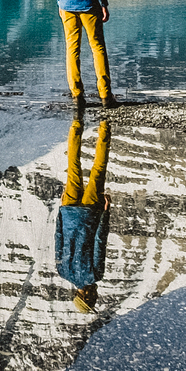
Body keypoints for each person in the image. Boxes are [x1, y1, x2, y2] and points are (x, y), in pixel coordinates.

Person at [55, 117, 111, 312]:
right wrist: (61, 210)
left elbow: (99, 241)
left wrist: (106, 213)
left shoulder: (95, 274)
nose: (96, 295)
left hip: (90, 214)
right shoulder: (62, 271)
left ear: (87, 296)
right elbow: (58, 238)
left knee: (98, 170)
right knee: (73, 166)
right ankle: (76, 123)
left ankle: (104, 125)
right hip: (69, 211)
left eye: (93, 299)